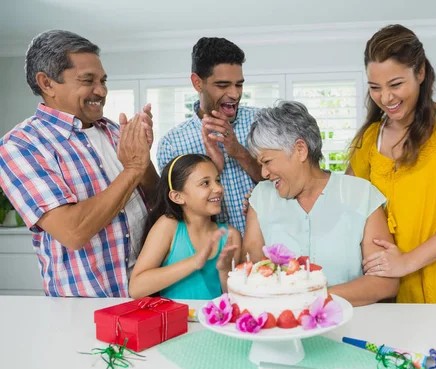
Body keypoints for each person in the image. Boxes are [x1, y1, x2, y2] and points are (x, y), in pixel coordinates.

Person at [0, 30, 157, 297]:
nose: (102, 90)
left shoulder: (117, 132)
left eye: (103, 80)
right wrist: (132, 169)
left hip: (150, 293)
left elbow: (154, 199)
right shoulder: (20, 146)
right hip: (87, 305)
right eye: (88, 80)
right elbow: (73, 231)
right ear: (47, 83)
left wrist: (143, 161)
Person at [347, 24, 436, 303]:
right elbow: (347, 203)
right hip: (393, 299)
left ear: (421, 72)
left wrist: (407, 262)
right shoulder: (369, 140)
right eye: (375, 88)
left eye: (396, 84)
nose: (386, 98)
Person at [242, 101, 399, 307]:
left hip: (351, 326)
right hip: (283, 328)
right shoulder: (261, 197)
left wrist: (313, 297)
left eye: (267, 161)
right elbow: (252, 274)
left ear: (300, 150)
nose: (263, 173)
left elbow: (385, 283)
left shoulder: (361, 194)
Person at [157, 37, 262, 236]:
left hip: (266, 248)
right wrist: (213, 167)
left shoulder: (262, 121)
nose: (234, 94)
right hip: (213, 255)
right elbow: (177, 213)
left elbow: (283, 183)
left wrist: (240, 152)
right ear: (197, 83)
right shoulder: (172, 144)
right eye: (222, 85)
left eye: (239, 85)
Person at [128, 154, 240, 300]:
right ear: (177, 197)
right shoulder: (168, 226)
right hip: (175, 321)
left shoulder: (231, 236)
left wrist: (225, 272)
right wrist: (194, 262)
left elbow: (234, 299)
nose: (218, 188)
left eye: (217, 180)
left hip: (213, 322)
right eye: (205, 183)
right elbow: (136, 288)